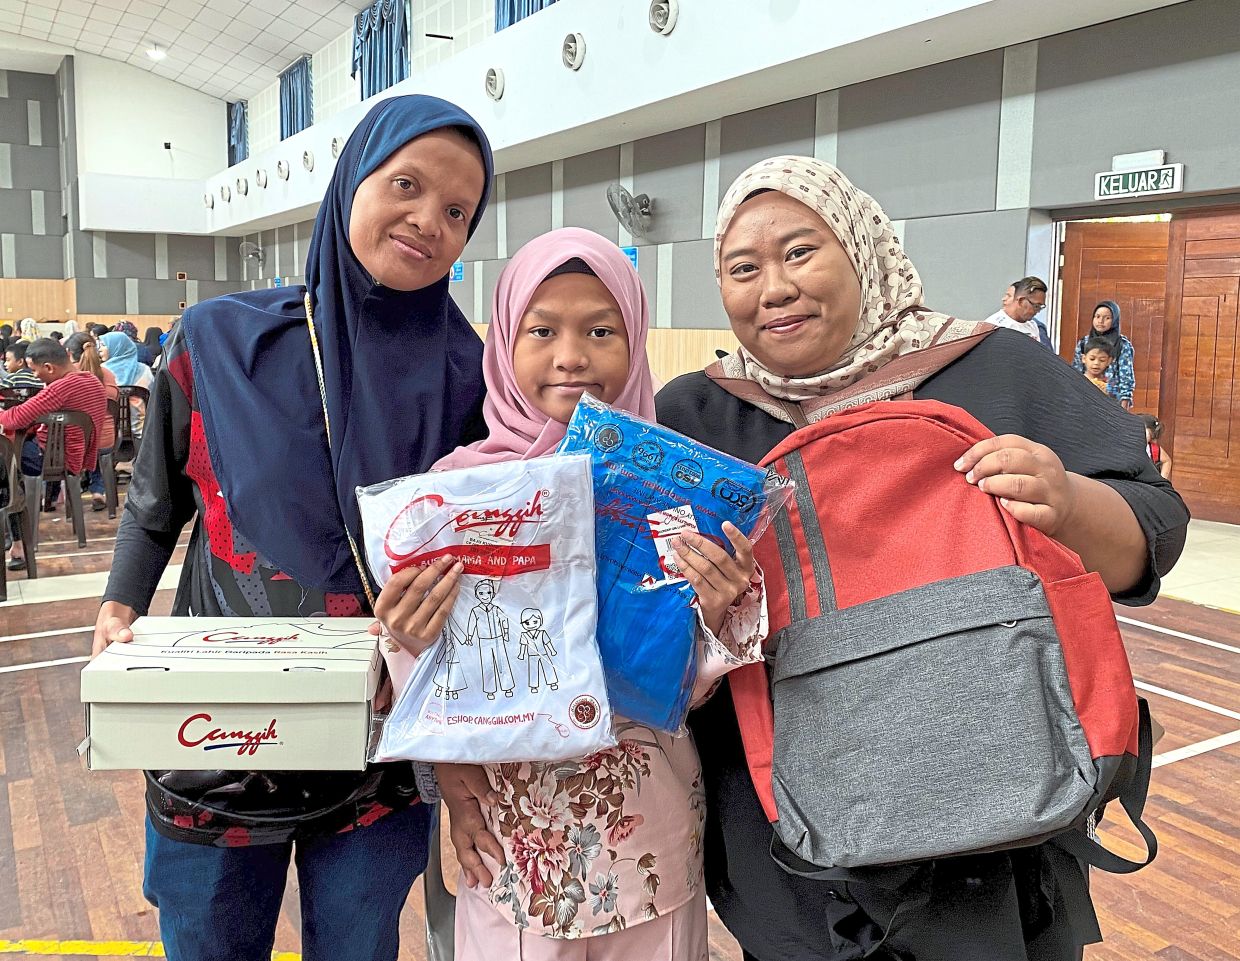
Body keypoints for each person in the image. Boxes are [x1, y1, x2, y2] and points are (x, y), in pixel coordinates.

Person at [642, 156, 1187, 961]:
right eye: (742, 267)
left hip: (996, 853)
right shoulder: (693, 416)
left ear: (863, 247)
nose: (775, 287)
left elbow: (1154, 528)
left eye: (800, 252)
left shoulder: (991, 368)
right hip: (787, 864)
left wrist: (1066, 502)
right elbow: (643, 620)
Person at [91, 95, 494, 961]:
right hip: (219, 735)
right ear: (353, 179)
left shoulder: (472, 375)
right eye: (408, 185)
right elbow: (157, 500)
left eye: (458, 211)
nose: (429, 221)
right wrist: (121, 602)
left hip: (378, 748)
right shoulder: (220, 340)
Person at [394, 228, 764, 959]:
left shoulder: (671, 494)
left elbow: (682, 694)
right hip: (509, 835)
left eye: (602, 330)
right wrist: (411, 645)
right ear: (502, 340)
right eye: (542, 330)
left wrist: (713, 613)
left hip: (647, 838)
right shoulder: (457, 490)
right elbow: (431, 670)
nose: (572, 356)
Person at [0, 337, 108, 570]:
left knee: (5, 462)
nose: (35, 376)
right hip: (77, 457)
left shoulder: (61, 386)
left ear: (49, 368)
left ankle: (15, 539)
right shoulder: (91, 380)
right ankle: (13, 535)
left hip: (50, 458)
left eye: (35, 371)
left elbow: (17, 417)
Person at [66, 332, 118, 510]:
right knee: (97, 437)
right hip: (108, 440)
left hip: (78, 443)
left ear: (68, 353)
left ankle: (60, 494)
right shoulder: (108, 374)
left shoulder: (67, 377)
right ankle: (98, 490)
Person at [1073, 301, 1135, 409]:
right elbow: (1076, 371)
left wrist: (1125, 401)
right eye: (1097, 317)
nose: (1101, 321)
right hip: (1085, 398)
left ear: (1114, 320)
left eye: (1107, 318)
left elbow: (1126, 376)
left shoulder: (1122, 344)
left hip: (1112, 400)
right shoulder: (1084, 342)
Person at [98, 331, 153, 439]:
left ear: (116, 347)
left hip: (109, 433)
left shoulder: (102, 372)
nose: (100, 349)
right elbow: (153, 397)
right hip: (142, 433)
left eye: (104, 345)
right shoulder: (144, 370)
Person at [982, 277, 1052, 348]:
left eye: (1041, 307)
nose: (1038, 311)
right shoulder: (994, 326)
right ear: (1021, 301)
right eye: (1036, 306)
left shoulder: (1033, 325)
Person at [1139, 414, 1173, 480]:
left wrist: (1161, 480)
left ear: (1151, 434)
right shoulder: (1128, 445)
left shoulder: (1153, 449)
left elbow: (1167, 461)